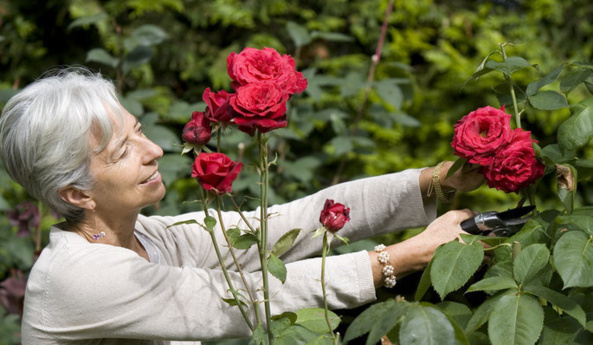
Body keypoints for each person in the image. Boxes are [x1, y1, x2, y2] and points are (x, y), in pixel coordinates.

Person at [0, 68, 483, 345]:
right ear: (76, 193)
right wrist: (400, 258)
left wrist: (436, 180)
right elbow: (241, 299)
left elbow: (278, 226)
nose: (153, 151)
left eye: (139, 130)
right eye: (123, 151)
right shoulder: (78, 276)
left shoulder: (149, 236)